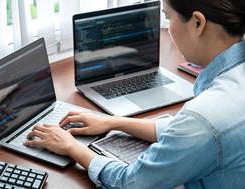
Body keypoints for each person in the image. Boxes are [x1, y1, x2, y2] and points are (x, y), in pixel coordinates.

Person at [24, 0, 245, 188]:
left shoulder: (202, 120)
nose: (167, 29)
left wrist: (71, 146)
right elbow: (189, 132)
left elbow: (130, 183)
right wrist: (113, 122)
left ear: (198, 23)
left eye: (168, 18)